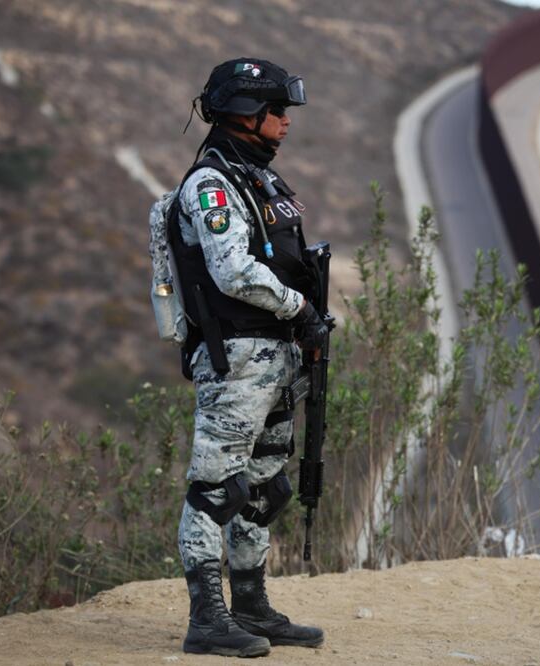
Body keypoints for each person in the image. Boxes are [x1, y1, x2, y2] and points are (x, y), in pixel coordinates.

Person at [166, 57, 328, 658]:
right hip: (236, 358)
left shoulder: (258, 177)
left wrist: (305, 322)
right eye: (277, 112)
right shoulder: (212, 182)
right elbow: (233, 270)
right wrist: (299, 308)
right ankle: (206, 619)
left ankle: (252, 606)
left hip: (277, 355)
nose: (286, 123)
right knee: (218, 487)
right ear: (244, 113)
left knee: (264, 485)